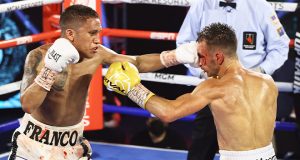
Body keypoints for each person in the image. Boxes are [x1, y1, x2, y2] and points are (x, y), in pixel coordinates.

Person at [8, 4, 199, 160]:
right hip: (34, 143)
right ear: (70, 34)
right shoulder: (39, 57)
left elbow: (137, 62)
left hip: (71, 143)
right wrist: (51, 70)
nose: (98, 40)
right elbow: (27, 104)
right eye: (92, 33)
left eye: (98, 33)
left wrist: (176, 56)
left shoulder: (97, 55)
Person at [105, 23, 279, 160]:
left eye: (202, 57)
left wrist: (131, 88)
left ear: (218, 57)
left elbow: (168, 113)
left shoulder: (213, 87)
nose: (199, 63)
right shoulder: (267, 82)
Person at [176, 0, 290, 159]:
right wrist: (201, 71)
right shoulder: (202, 4)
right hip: (214, 88)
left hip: (252, 91)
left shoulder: (260, 6)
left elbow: (280, 46)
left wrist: (261, 71)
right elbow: (184, 43)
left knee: (260, 147)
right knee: (200, 149)